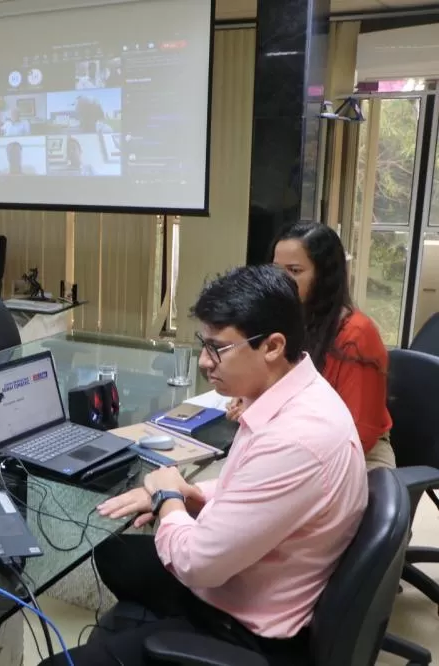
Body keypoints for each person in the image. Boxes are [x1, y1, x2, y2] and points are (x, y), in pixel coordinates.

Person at [41, 265, 368, 666]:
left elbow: (198, 565)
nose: (204, 362)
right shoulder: (293, 392)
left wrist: (166, 497)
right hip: (255, 575)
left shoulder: (297, 439)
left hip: (245, 630)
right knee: (115, 553)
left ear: (272, 346)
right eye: (204, 344)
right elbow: (257, 485)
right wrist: (192, 494)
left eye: (218, 348)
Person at [226, 222, 395, 470]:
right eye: (275, 270)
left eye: (294, 271)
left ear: (324, 277)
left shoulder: (356, 334)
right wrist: (247, 400)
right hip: (289, 438)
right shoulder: (282, 320)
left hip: (354, 454)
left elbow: (358, 432)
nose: (281, 280)